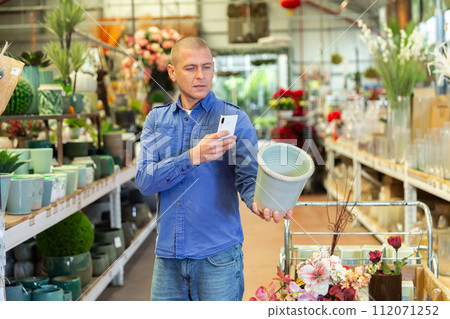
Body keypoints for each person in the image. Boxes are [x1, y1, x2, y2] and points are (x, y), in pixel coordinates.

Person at [135, 36, 292, 301]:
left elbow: (248, 177)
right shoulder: (157, 120)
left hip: (217, 258)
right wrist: (193, 156)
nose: (201, 75)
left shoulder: (234, 119)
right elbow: (145, 181)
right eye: (191, 68)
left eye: (207, 67)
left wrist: (262, 201)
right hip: (168, 261)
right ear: (172, 72)